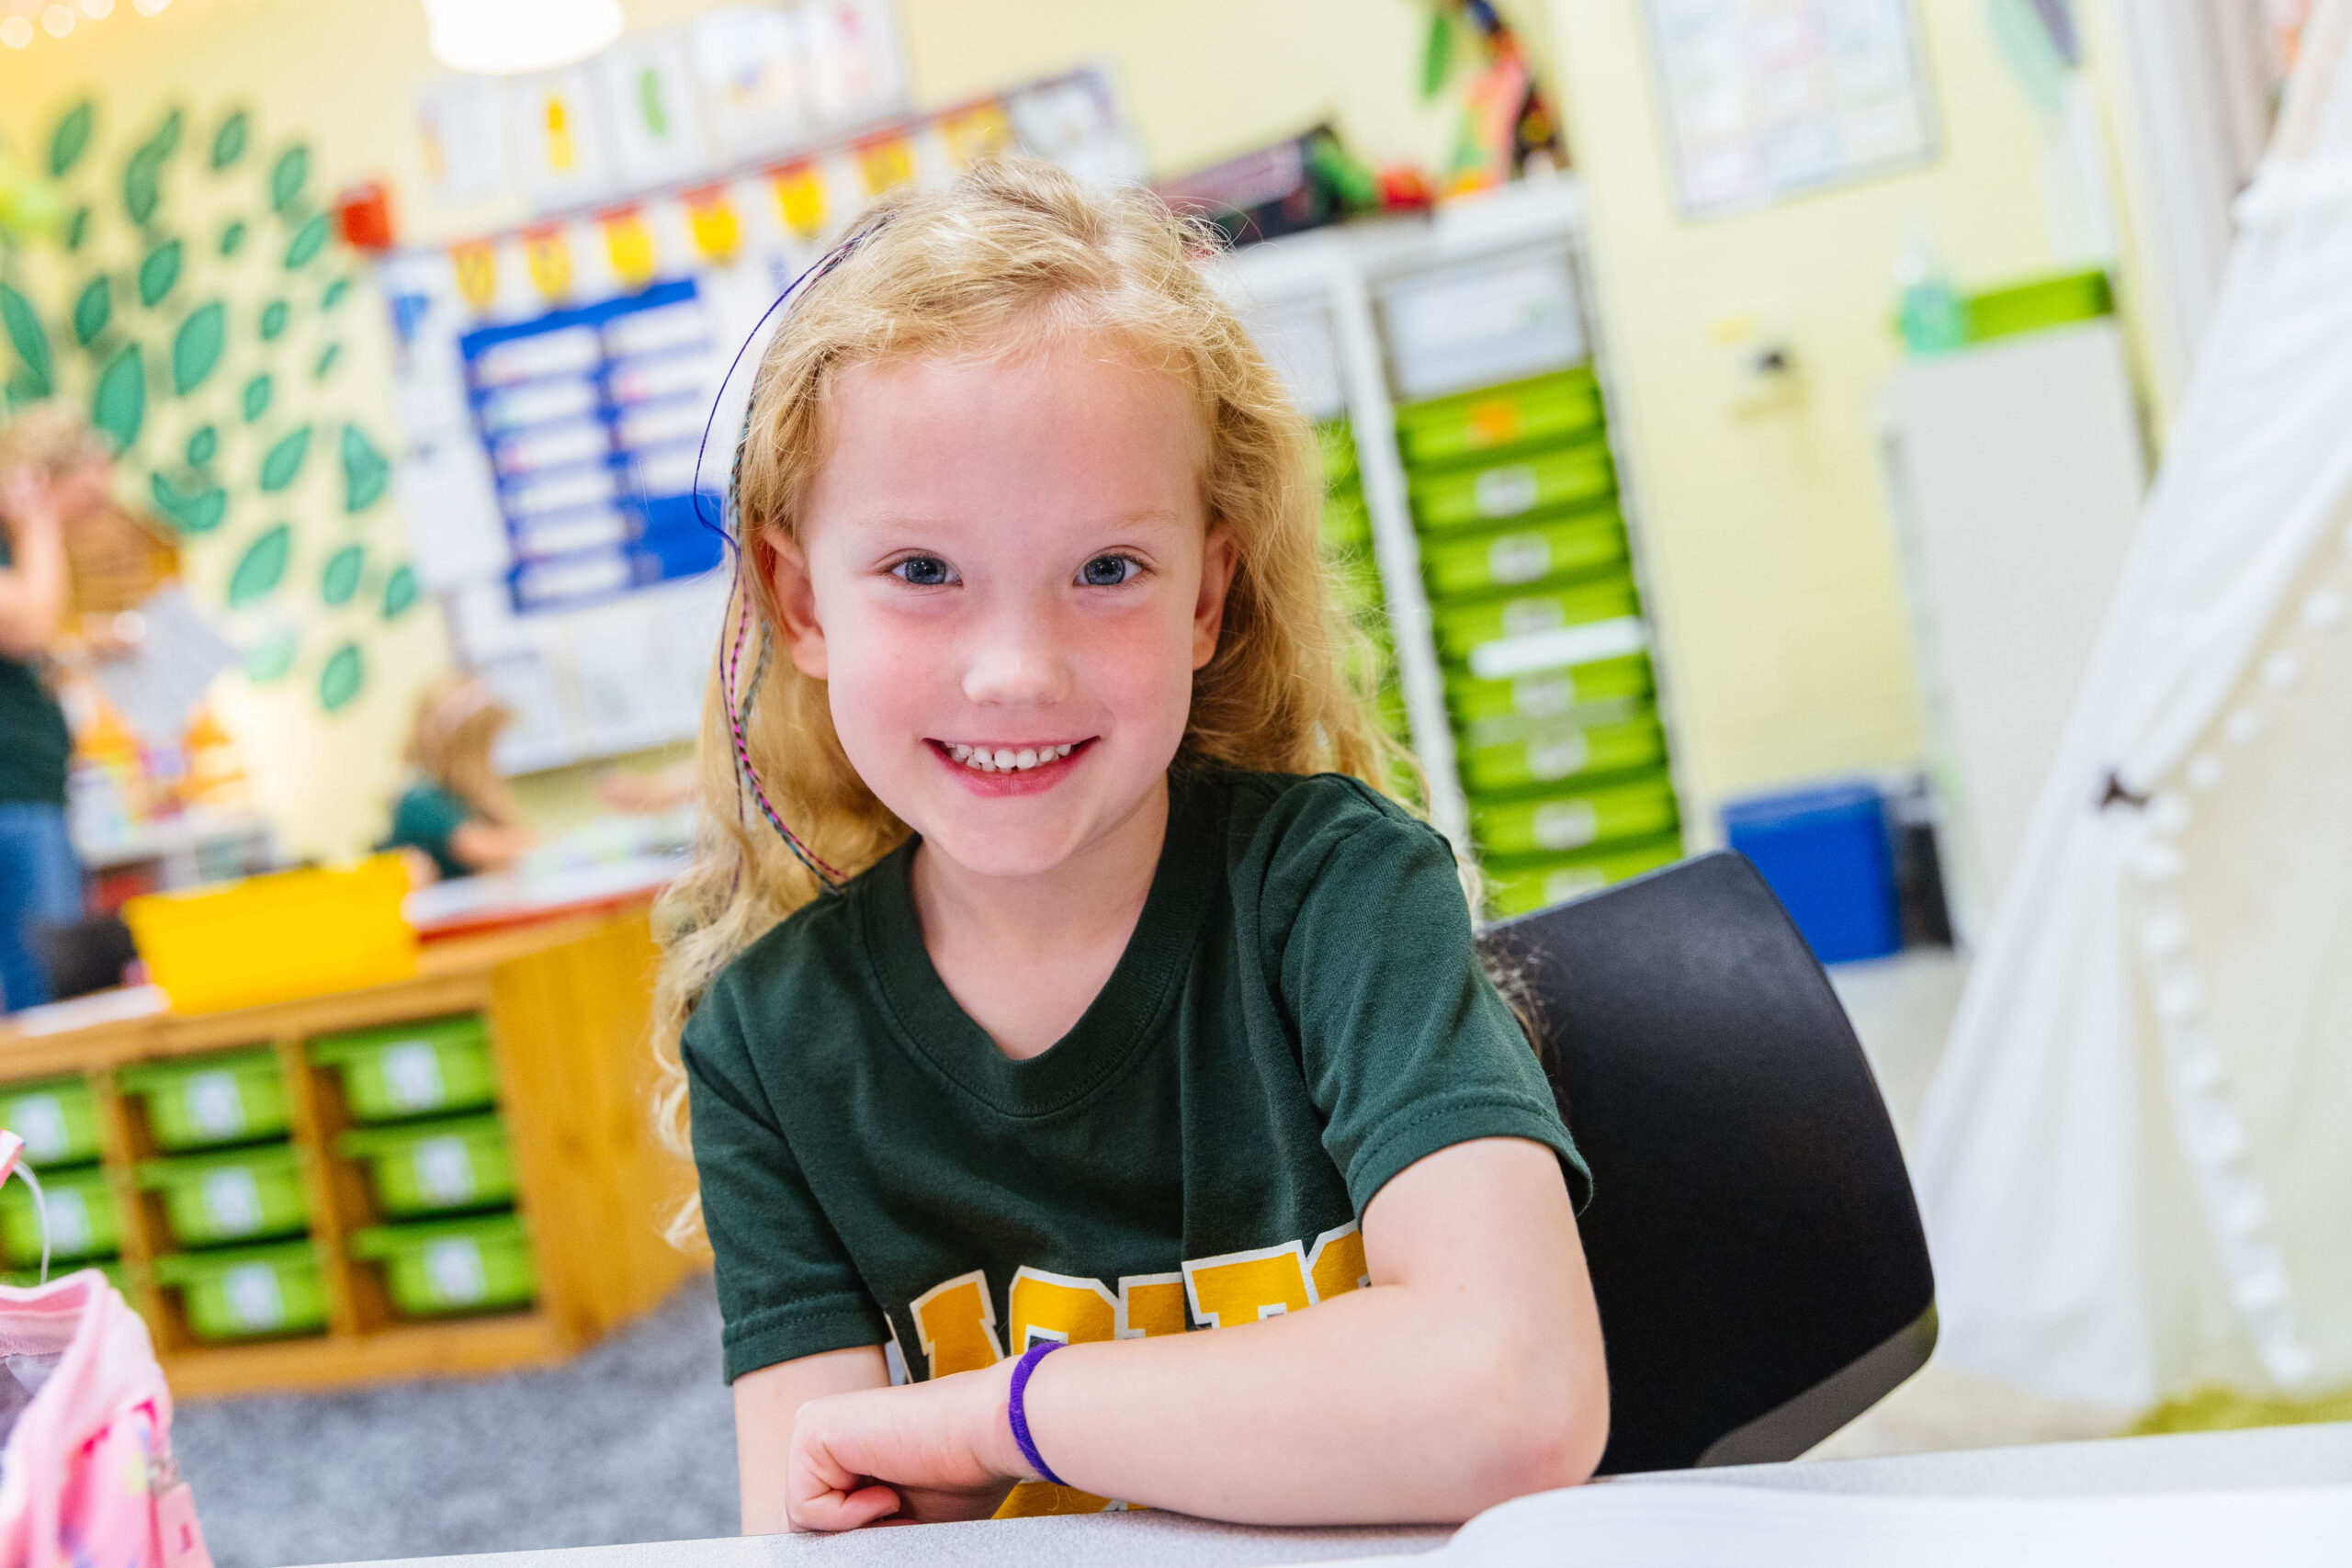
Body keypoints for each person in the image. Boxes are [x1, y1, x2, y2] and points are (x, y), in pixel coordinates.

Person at [657, 159, 1606, 1537]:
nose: (1013, 672)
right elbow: (818, 1512)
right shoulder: (765, 1038)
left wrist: (1004, 1412)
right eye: (923, 572)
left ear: (1208, 595)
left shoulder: (1334, 891)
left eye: (1107, 569)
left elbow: (1512, 1393)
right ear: (801, 599)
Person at [0, 409, 112, 1012]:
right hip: (10, 802)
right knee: (45, 992)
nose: (86, 522)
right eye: (85, 500)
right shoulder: (24, 536)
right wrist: (37, 523)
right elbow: (28, 624)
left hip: (29, 795)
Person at [379, 674, 534, 883]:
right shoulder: (418, 799)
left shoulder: (464, 797)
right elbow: (474, 845)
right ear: (454, 749)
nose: (492, 757)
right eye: (484, 747)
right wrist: (548, 842)